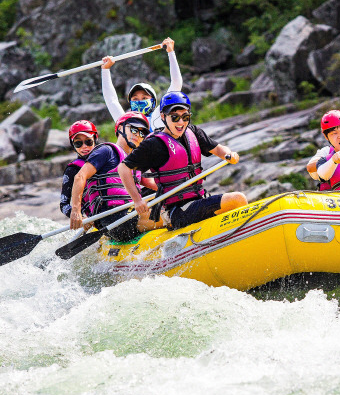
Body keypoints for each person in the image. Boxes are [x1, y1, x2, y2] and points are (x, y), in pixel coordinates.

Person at [117, 91, 248, 230]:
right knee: (237, 199)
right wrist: (137, 200)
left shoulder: (193, 132)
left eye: (185, 117)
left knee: (234, 202)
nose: (181, 122)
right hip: (178, 210)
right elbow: (123, 168)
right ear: (163, 116)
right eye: (174, 117)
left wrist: (229, 154)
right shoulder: (154, 144)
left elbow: (218, 149)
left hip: (198, 201)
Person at [66, 112, 162, 242]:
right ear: (120, 129)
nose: (137, 135)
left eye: (142, 133)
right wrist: (76, 212)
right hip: (114, 219)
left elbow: (156, 185)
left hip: (129, 214)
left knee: (169, 207)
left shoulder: (135, 162)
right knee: (172, 216)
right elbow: (80, 177)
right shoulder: (106, 151)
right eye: (133, 129)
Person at [101, 37, 181, 132]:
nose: (139, 101)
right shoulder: (126, 122)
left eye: (144, 98)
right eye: (135, 99)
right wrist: (105, 70)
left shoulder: (159, 117)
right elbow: (111, 100)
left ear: (153, 102)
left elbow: (176, 84)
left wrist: (171, 52)